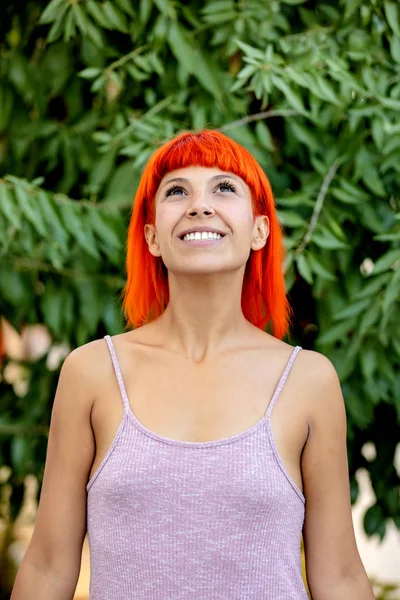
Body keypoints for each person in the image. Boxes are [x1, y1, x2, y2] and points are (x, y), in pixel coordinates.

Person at [11, 130, 375, 600]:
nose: (199, 205)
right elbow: (45, 568)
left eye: (225, 188)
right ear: (152, 236)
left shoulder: (308, 379)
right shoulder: (93, 373)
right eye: (177, 191)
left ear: (260, 230)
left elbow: (340, 577)